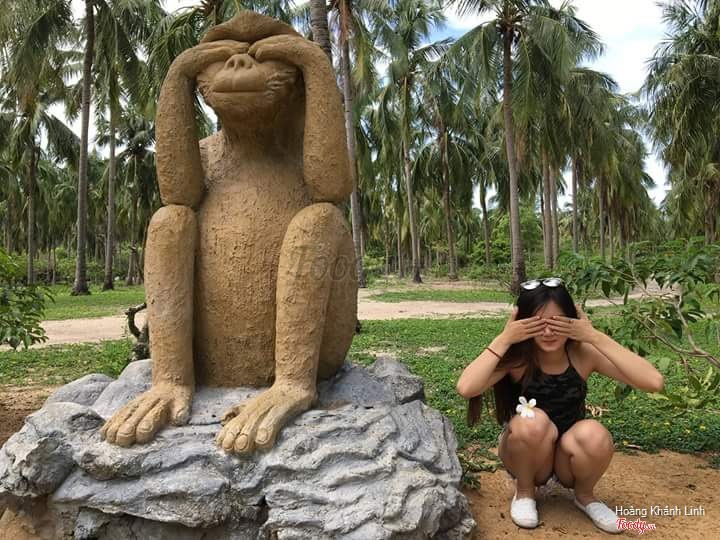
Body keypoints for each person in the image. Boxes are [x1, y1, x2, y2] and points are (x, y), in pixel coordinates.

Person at [456, 277, 665, 533]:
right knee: (532, 421)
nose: (548, 332)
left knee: (595, 433)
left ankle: (585, 496)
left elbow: (653, 382)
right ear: (523, 323)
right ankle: (524, 492)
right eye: (538, 323)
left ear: (572, 321)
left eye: (557, 322)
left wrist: (594, 336)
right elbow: (466, 387)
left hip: (568, 458)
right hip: (526, 455)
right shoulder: (520, 359)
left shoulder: (581, 354)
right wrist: (504, 339)